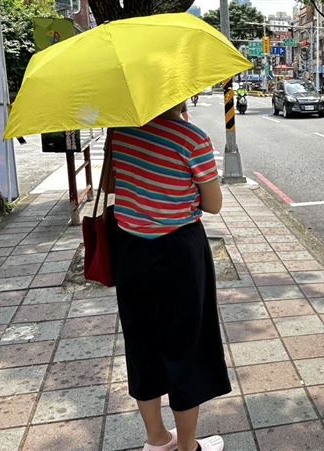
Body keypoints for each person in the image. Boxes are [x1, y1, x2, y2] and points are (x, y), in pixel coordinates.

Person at [109, 101, 230, 451]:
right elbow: (213, 204)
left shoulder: (120, 132)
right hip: (178, 252)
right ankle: (188, 446)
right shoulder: (191, 138)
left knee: (141, 341)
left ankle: (156, 439)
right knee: (185, 345)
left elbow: (116, 182)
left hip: (131, 249)